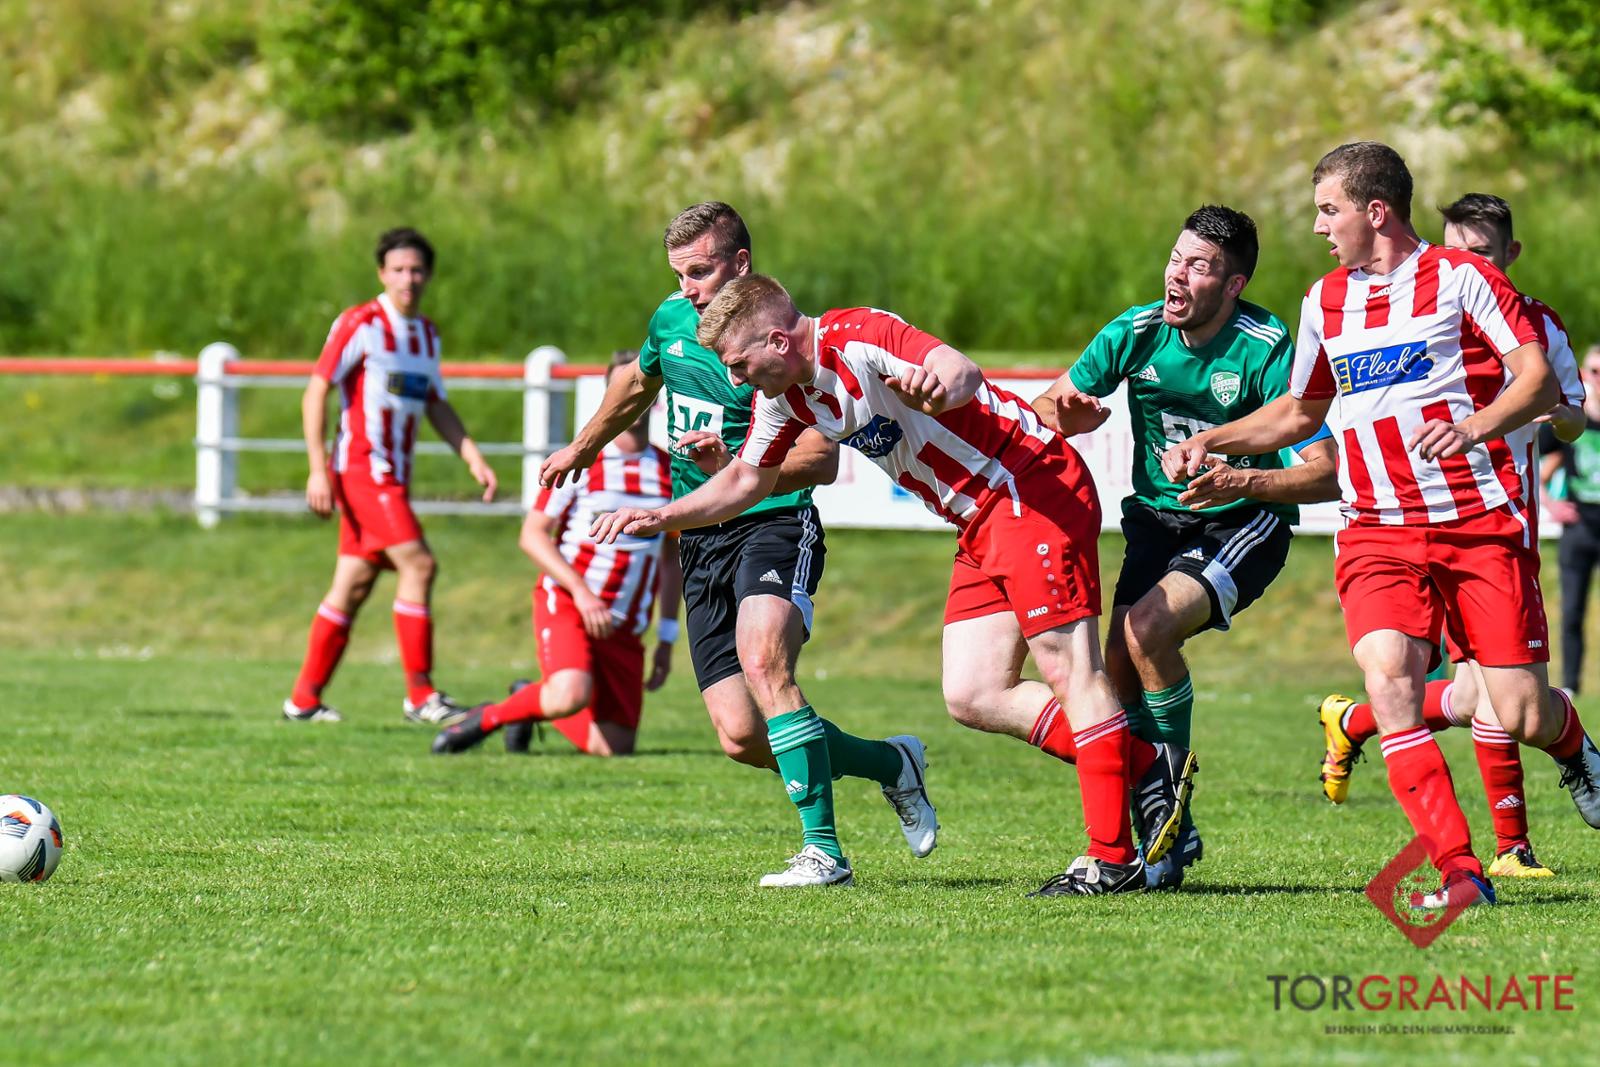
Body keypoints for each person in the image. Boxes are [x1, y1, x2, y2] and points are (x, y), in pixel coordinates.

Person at [594, 273, 1197, 896]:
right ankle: (1147, 766)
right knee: (973, 694)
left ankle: (1111, 858)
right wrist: (662, 516)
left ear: (777, 341)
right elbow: (747, 480)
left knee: (1071, 669)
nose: (737, 380)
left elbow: (960, 371)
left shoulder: (858, 336)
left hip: (1028, 486)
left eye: (740, 364)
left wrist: (938, 386)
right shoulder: (789, 399)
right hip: (976, 518)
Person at [1162, 143, 1600, 908]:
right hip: (1376, 529)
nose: (1318, 226)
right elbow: (1300, 413)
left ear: (1375, 211)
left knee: (1519, 711)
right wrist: (1214, 439)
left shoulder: (1462, 278)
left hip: (1476, 523)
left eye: (1328, 210)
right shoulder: (1324, 299)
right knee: (1391, 679)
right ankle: (1462, 872)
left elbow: (1536, 381)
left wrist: (1473, 427)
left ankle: (1574, 748)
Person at [539, 204, 937, 888]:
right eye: (678, 274)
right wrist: (584, 445)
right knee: (741, 735)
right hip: (701, 537)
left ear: (740, 263)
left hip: (772, 522)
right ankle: (890, 763)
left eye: (699, 271)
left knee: (764, 660)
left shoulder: (779, 340)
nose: (687, 288)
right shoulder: (671, 321)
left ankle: (823, 853)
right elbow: (635, 384)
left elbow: (820, 459)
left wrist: (735, 463)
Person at [1031, 205, 1297, 889]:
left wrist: (1237, 472)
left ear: (1233, 285)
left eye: (1199, 266)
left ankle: (1169, 818)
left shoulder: (1265, 343)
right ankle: (1163, 835)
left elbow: (1309, 444)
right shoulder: (1139, 329)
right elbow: (1050, 406)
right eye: (1176, 258)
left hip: (1241, 519)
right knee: (1112, 682)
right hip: (1155, 522)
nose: (1177, 275)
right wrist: (1069, 414)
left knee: (1146, 627)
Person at [283, 227, 497, 724]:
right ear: (381, 273)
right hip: (362, 470)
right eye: (398, 269)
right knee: (419, 565)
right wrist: (317, 469)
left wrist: (472, 455)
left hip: (393, 478)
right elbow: (316, 390)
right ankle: (421, 695)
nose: (408, 279)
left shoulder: (426, 335)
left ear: (429, 276)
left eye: (417, 270)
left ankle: (303, 701)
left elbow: (435, 402)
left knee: (353, 583)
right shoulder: (360, 323)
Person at [433, 350, 681, 757]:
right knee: (569, 694)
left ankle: (527, 700)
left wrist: (667, 636)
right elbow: (532, 535)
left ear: (655, 397)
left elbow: (673, 558)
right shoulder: (583, 460)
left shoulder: (670, 469)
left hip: (624, 623)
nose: (633, 396)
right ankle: (488, 717)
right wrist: (581, 593)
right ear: (608, 396)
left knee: (614, 747)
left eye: (642, 387)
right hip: (570, 602)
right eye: (623, 388)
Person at [1543, 344, 1600, 698]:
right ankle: (1571, 685)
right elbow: (1539, 467)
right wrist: (1551, 504)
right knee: (1572, 609)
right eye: (1594, 371)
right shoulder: (1571, 420)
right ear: (1584, 374)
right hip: (1579, 525)